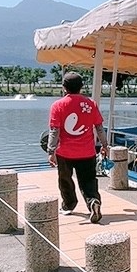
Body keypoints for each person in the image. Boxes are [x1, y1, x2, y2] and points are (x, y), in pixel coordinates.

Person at [47, 72, 108, 223]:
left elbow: (54, 130)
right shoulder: (91, 104)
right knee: (88, 180)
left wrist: (51, 151)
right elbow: (99, 128)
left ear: (64, 88)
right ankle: (93, 201)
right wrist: (105, 145)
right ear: (81, 87)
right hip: (87, 152)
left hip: (64, 153)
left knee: (65, 180)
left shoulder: (57, 106)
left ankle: (68, 205)